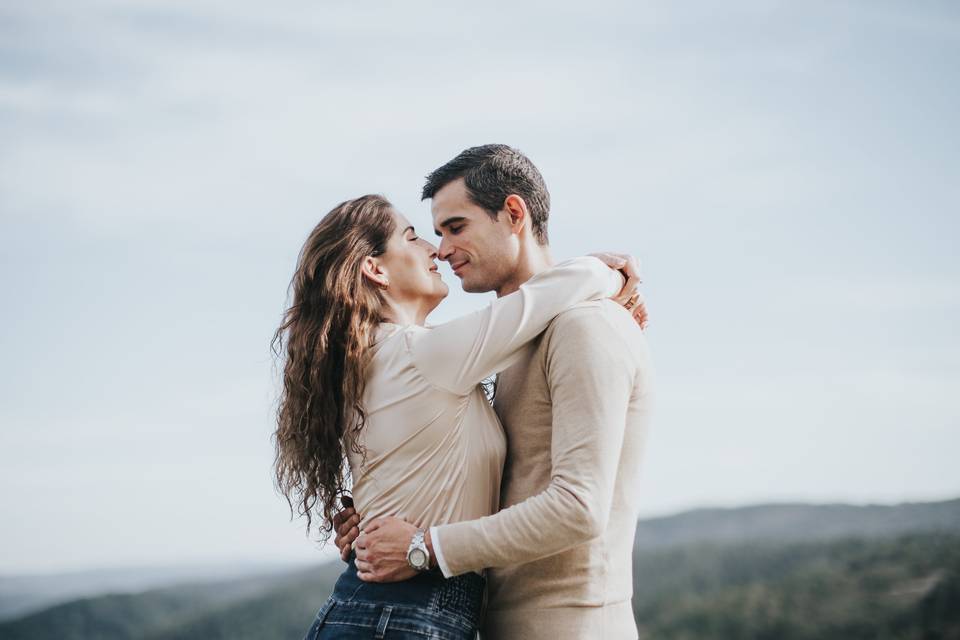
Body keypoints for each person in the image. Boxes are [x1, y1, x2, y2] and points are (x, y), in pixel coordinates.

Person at [272, 193, 642, 640]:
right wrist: (608, 271)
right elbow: (542, 299)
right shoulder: (417, 353)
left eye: (449, 231)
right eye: (413, 238)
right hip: (402, 613)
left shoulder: (381, 357)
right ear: (375, 269)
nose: (435, 250)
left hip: (393, 610)